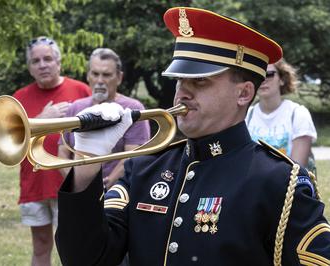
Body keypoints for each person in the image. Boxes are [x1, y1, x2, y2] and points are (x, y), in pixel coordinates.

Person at [55, 7, 330, 266]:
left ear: (244, 93)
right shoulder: (143, 168)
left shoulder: (279, 182)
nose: (182, 92)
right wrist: (86, 167)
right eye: (179, 80)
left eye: (199, 81)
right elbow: (84, 258)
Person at [13, 36, 91, 266]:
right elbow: (12, 142)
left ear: (58, 62)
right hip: (34, 182)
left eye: (48, 58)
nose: (43, 65)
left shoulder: (80, 89)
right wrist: (42, 120)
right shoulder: (19, 98)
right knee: (40, 246)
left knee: (75, 247)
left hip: (69, 183)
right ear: (30, 68)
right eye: (36, 61)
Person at [57, 48, 151, 190]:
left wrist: (106, 185)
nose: (100, 81)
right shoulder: (75, 108)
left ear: (119, 77)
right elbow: (63, 152)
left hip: (119, 193)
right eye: (95, 74)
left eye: (106, 75)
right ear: (88, 75)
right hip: (79, 191)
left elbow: (133, 156)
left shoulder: (133, 108)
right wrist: (78, 183)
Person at [246, 59, 317, 171]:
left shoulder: (298, 114)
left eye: (269, 74)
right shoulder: (246, 115)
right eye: (258, 75)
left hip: (288, 185)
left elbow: (298, 171)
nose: (263, 80)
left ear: (282, 79)